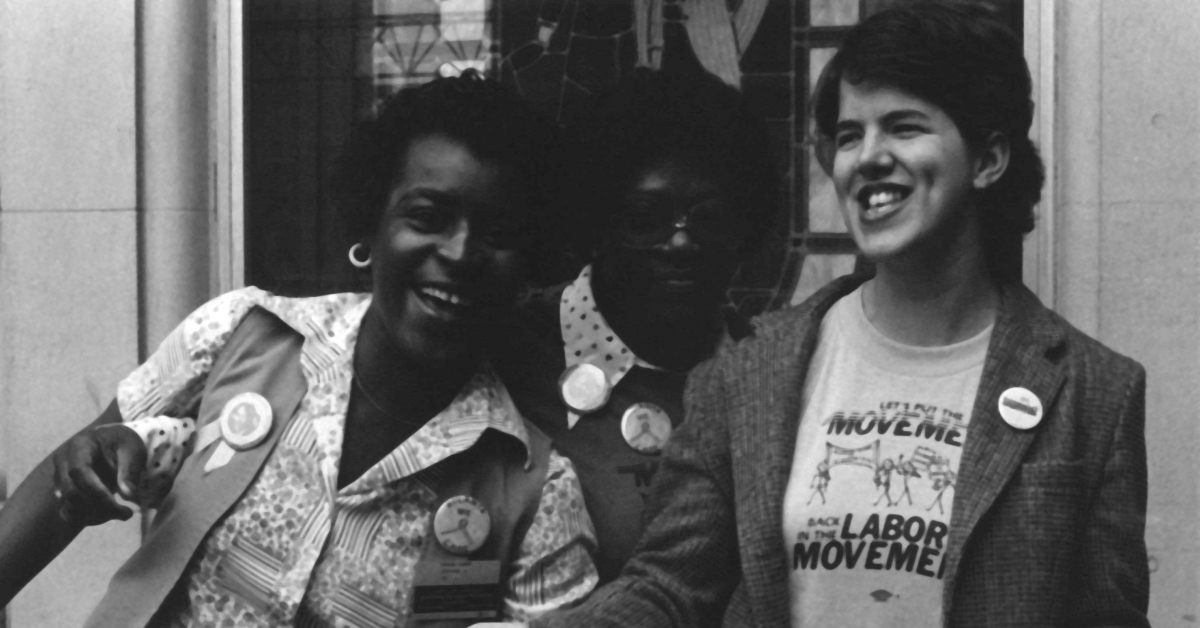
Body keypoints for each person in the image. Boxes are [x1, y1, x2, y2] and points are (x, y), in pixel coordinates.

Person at [506, 3, 1150, 627]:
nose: (866, 156)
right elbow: (670, 588)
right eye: (848, 135)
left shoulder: (1093, 393)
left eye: (903, 126)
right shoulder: (748, 372)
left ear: (988, 159)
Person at [0, 72, 598, 627]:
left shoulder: (536, 495)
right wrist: (95, 466)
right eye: (428, 216)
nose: (461, 253)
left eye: (498, 235)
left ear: (530, 262)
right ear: (371, 225)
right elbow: (75, 482)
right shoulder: (244, 331)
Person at [488, 68, 777, 585]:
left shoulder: (769, 370)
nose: (681, 243)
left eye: (708, 217)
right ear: (596, 221)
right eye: (647, 215)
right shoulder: (507, 348)